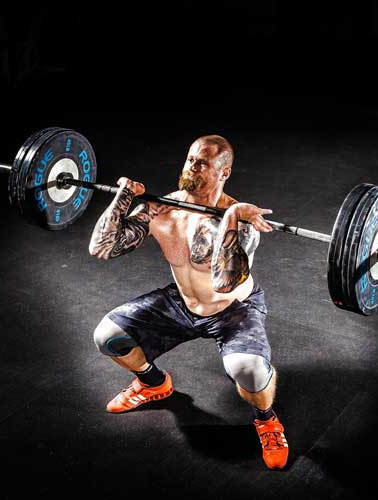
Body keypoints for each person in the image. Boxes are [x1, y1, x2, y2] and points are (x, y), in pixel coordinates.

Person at [88, 135, 288, 470]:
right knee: (107, 337)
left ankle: (266, 420)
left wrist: (231, 217)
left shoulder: (242, 220)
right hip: (182, 302)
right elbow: (102, 247)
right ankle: (154, 384)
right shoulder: (161, 209)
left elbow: (224, 282)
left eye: (203, 163)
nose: (192, 167)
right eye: (190, 159)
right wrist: (124, 197)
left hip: (232, 309)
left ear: (223, 172)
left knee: (248, 371)